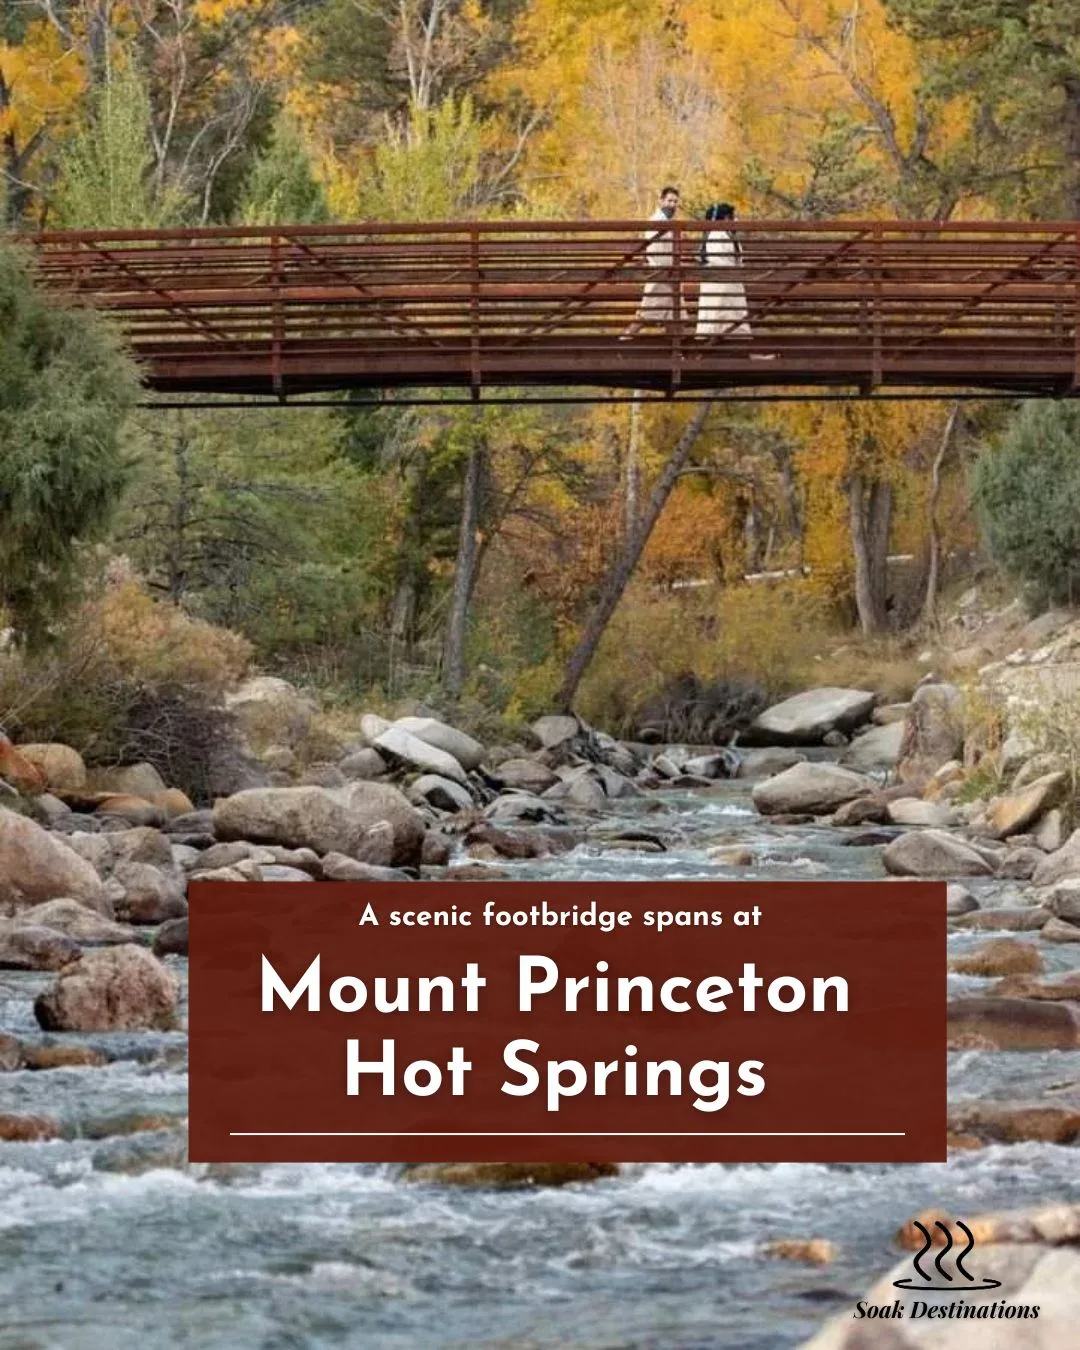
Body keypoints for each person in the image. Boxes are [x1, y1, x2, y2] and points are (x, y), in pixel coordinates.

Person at [620, 185, 681, 339]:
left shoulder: (669, 223)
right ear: (661, 201)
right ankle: (625, 339)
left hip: (669, 275)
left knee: (674, 317)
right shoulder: (655, 222)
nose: (672, 205)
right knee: (647, 313)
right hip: (661, 274)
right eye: (669, 201)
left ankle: (677, 353)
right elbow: (656, 250)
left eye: (675, 202)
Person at [694, 202, 751, 339]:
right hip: (722, 285)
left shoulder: (724, 234)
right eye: (732, 217)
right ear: (725, 218)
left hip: (727, 284)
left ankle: (745, 354)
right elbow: (719, 261)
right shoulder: (718, 234)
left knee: (726, 321)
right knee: (723, 320)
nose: (735, 220)